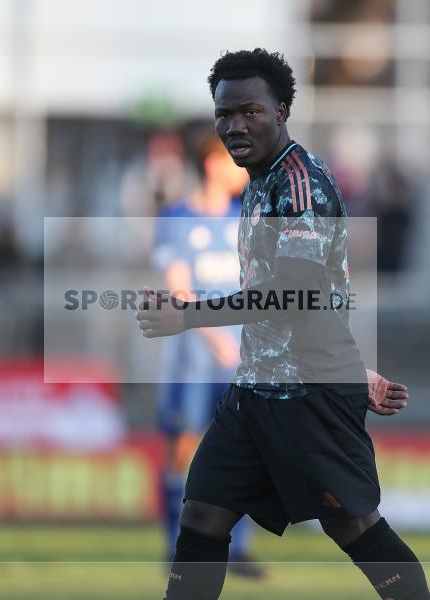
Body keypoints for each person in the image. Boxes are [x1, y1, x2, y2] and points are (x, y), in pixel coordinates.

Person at [137, 49, 430, 600]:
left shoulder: (299, 186)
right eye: (224, 114)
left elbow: (291, 294)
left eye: (250, 111)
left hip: (309, 393)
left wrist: (190, 315)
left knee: (354, 526)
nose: (235, 125)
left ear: (281, 110)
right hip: (256, 389)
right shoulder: (258, 180)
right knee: (202, 513)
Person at [153, 137, 265, 578]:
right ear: (213, 162)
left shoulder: (246, 219)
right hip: (193, 358)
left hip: (241, 358)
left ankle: (237, 550)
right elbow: (178, 288)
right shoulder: (176, 218)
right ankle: (177, 547)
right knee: (183, 450)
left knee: (246, 451)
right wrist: (214, 335)